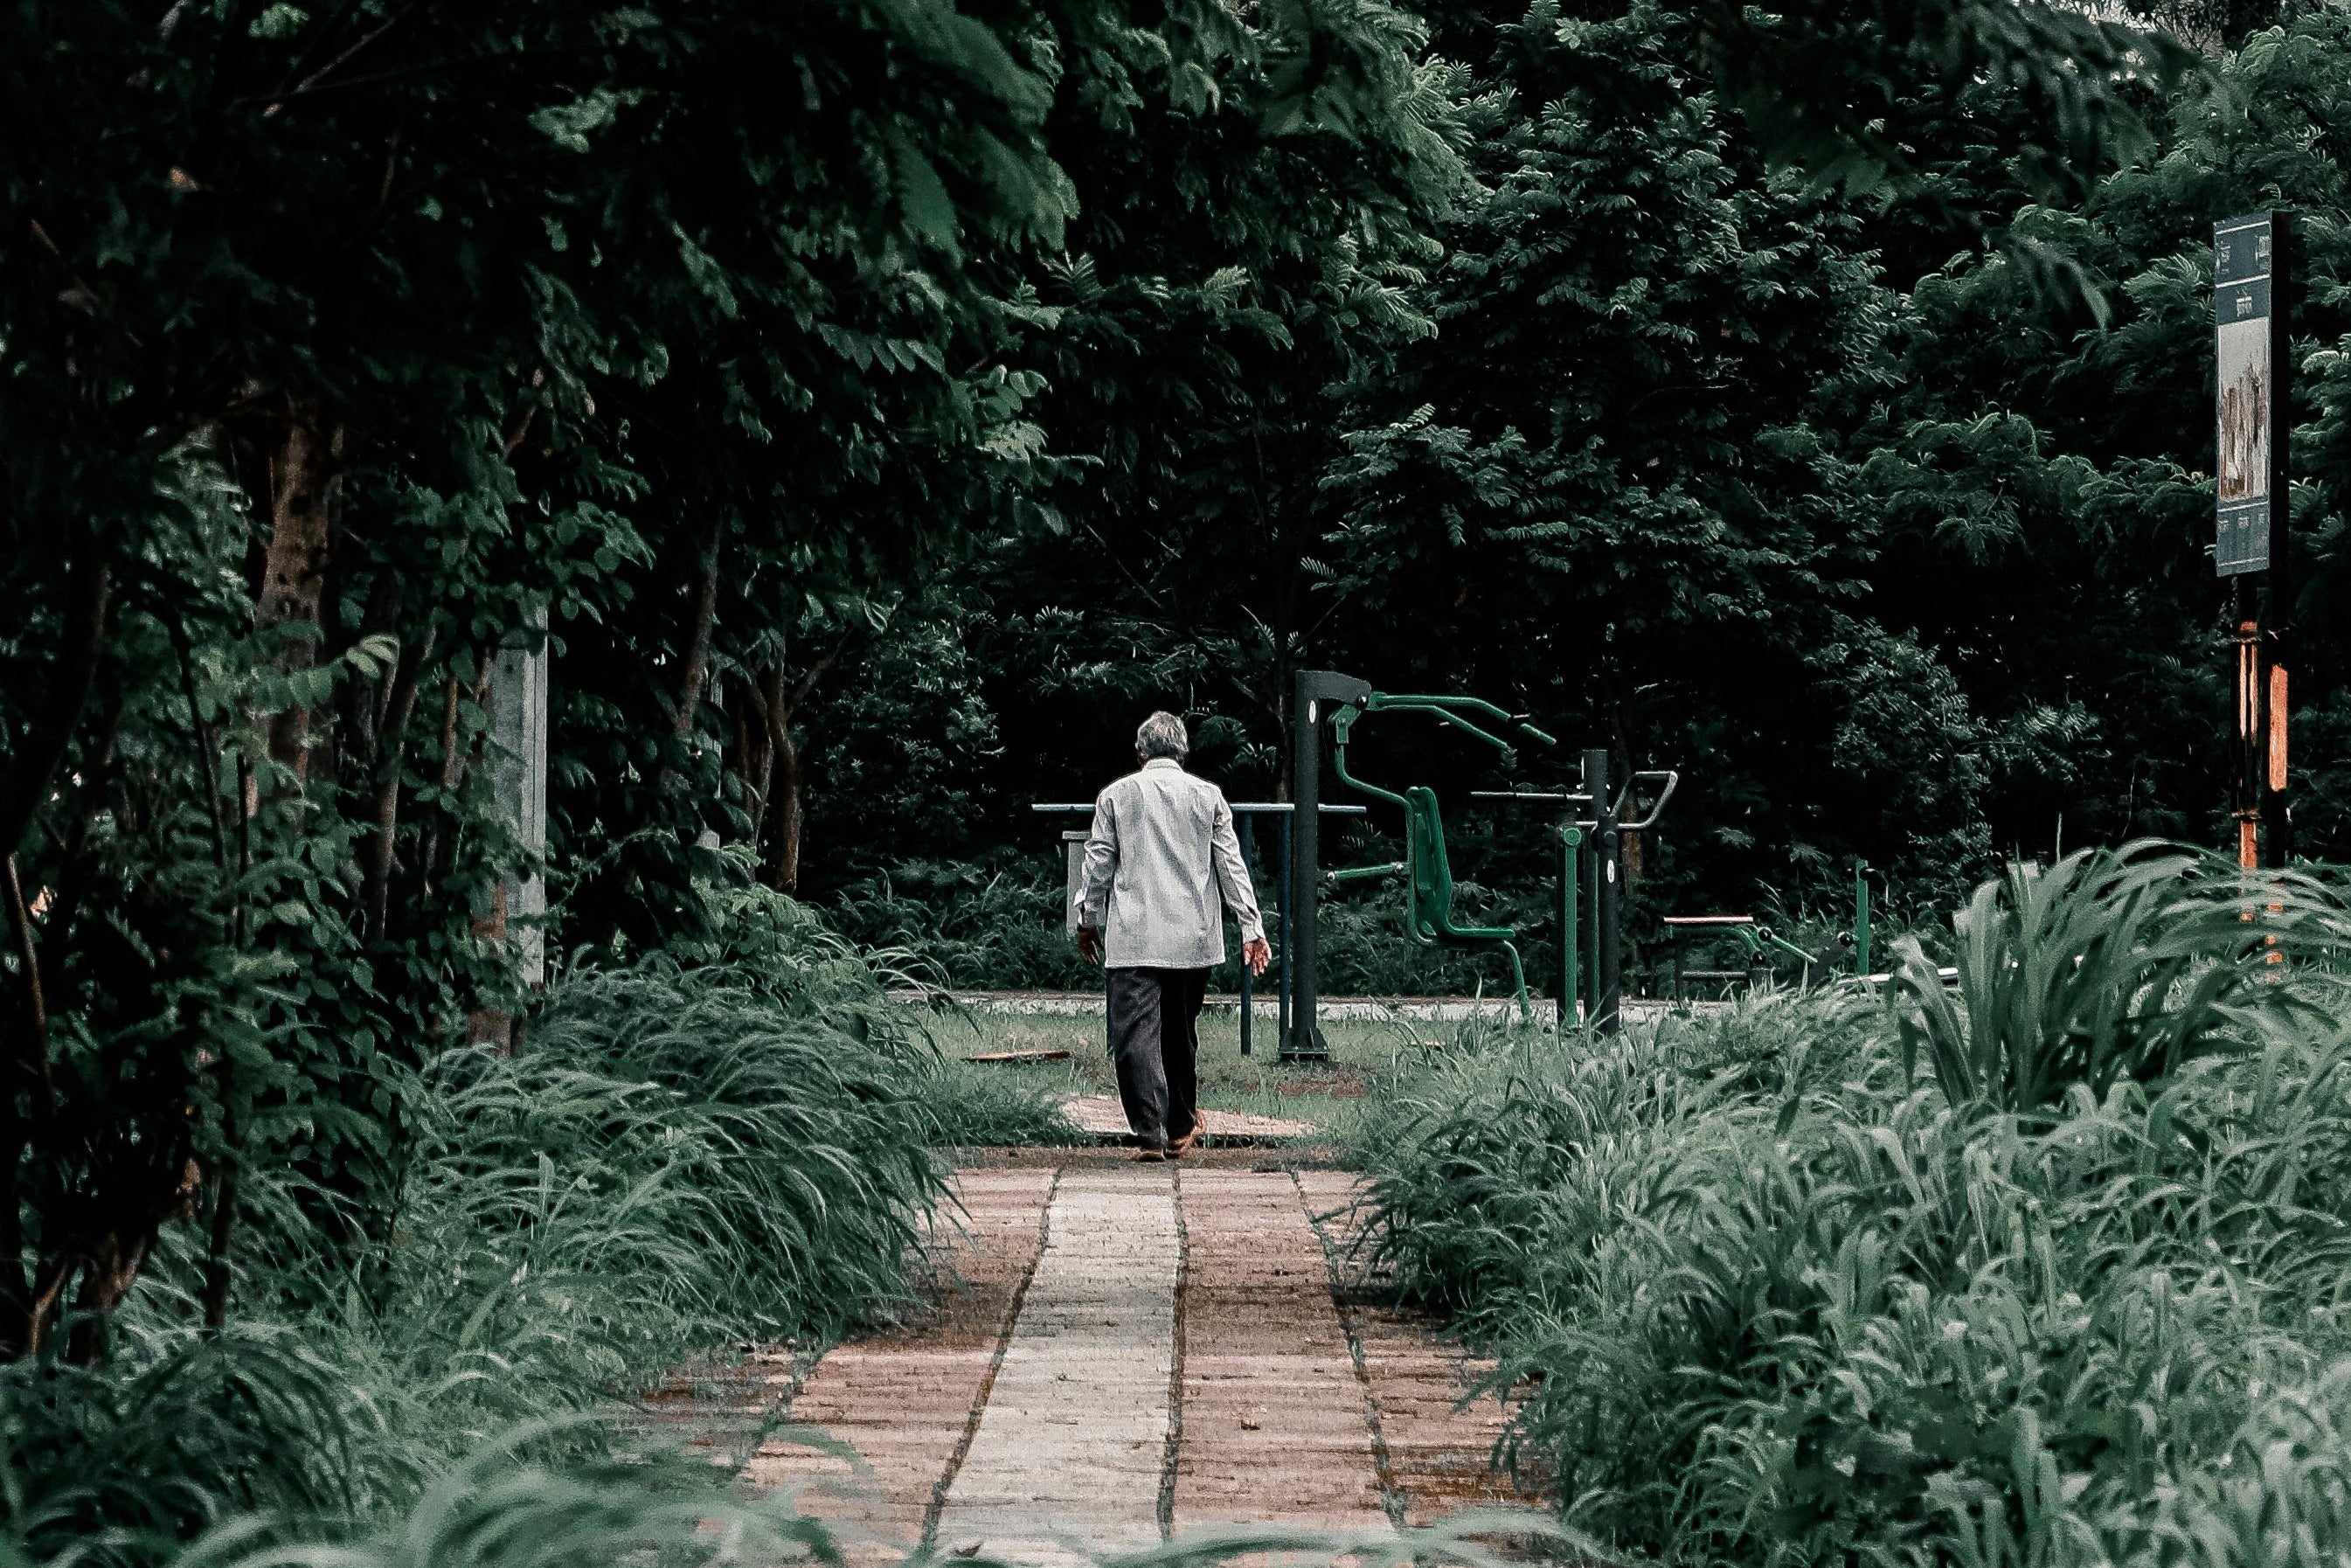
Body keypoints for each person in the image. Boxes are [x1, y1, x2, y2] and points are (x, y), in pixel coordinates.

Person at [1076, 711, 1272, 1161]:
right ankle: (1181, 1127)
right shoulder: (1209, 796)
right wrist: (1251, 926)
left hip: (1135, 936)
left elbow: (1098, 865)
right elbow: (1231, 866)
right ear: (1183, 752)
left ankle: (1150, 1131)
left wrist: (1088, 920)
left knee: (1134, 1037)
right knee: (1180, 1032)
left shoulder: (1116, 796)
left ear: (1139, 752)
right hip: (1192, 937)